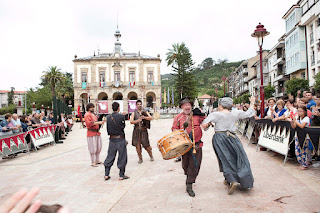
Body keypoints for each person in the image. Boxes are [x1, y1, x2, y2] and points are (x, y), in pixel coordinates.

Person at [201, 96, 256, 195]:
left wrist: (209, 124)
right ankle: (241, 179)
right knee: (239, 157)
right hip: (233, 138)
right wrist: (252, 103)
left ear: (221, 105)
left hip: (219, 137)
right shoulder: (236, 113)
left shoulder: (215, 114)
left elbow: (204, 126)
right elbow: (249, 113)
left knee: (225, 158)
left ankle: (232, 180)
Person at [172, 97, 206, 197]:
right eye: (185, 105)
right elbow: (174, 128)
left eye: (189, 105)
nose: (187, 106)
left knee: (195, 164)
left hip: (197, 145)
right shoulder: (178, 117)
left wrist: (206, 124)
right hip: (184, 146)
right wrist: (177, 131)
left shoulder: (197, 115)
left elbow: (206, 121)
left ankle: (189, 184)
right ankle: (188, 176)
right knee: (185, 165)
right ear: (182, 107)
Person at [104, 102, 129, 181]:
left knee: (110, 156)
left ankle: (106, 174)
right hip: (120, 139)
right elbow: (123, 126)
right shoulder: (121, 116)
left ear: (112, 108)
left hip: (112, 139)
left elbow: (107, 129)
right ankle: (121, 175)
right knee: (122, 156)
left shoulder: (108, 117)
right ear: (118, 108)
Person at [84, 103, 105, 167]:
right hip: (91, 132)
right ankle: (93, 161)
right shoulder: (87, 114)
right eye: (91, 107)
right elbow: (89, 123)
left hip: (97, 132)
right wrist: (99, 122)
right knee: (93, 147)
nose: (93, 108)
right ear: (88, 108)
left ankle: (97, 160)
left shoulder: (93, 114)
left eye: (93, 107)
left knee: (98, 146)